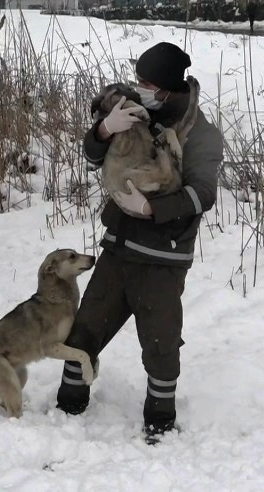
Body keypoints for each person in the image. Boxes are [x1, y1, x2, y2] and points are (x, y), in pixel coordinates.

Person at [54, 42, 225, 444]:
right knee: (83, 333)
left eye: (148, 83)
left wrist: (152, 209)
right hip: (117, 248)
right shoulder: (130, 111)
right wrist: (103, 130)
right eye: (138, 81)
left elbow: (204, 195)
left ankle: (160, 423)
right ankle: (67, 408)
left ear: (168, 87)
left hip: (163, 258)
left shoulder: (201, 133)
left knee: (161, 344)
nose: (140, 88)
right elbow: (94, 157)